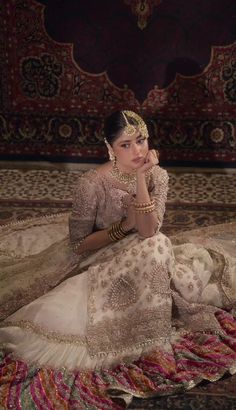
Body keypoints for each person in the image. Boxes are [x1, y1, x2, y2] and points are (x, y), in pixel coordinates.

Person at [0, 110, 236, 409]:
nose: (137, 150)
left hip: (143, 254)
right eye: (126, 144)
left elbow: (150, 229)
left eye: (141, 140)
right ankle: (130, 329)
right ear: (109, 148)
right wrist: (122, 228)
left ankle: (147, 324)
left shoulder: (157, 175)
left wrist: (140, 178)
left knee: (161, 245)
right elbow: (80, 243)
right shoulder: (92, 184)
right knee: (155, 249)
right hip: (96, 258)